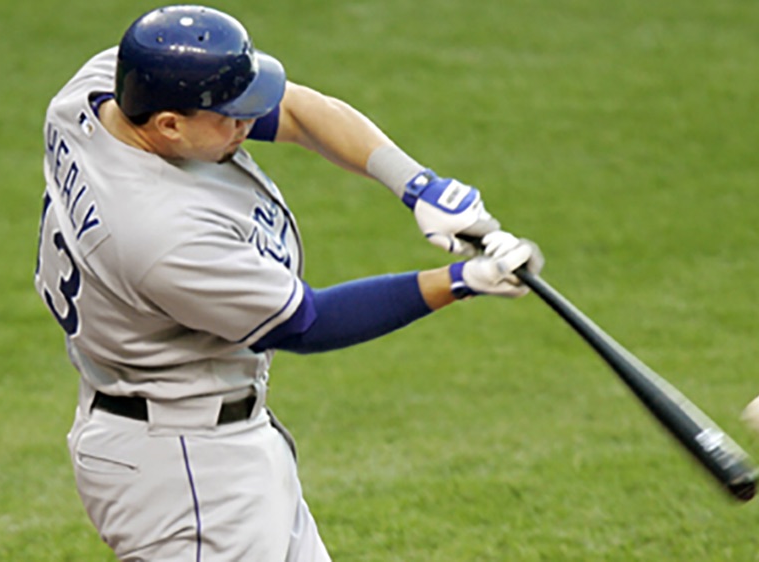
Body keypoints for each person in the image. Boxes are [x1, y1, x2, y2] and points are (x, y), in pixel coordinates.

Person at [34, 5, 544, 561]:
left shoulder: (98, 94)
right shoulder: (161, 235)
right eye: (230, 116)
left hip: (201, 438)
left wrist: (418, 186)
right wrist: (464, 279)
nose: (247, 124)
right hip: (185, 471)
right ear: (169, 125)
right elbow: (307, 322)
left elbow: (296, 112)